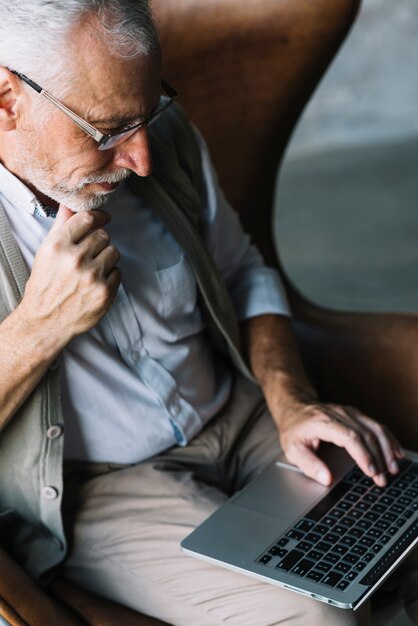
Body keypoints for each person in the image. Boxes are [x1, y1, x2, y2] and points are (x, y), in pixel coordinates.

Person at [0, 1, 415, 625]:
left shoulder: (162, 138)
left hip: (245, 415)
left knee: (398, 539)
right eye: (110, 131)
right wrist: (40, 328)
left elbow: (244, 271)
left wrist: (291, 400)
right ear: (6, 100)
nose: (141, 158)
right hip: (104, 489)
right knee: (319, 617)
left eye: (149, 113)